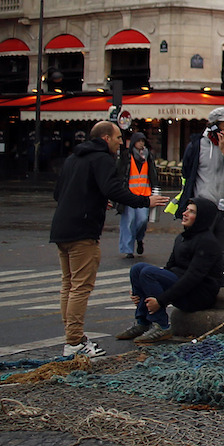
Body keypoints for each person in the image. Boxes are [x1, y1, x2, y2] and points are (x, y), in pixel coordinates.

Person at [50, 119, 169, 358]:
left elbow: (58, 193)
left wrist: (92, 198)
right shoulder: (102, 159)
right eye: (117, 138)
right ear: (105, 138)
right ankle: (73, 343)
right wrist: (145, 201)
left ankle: (73, 337)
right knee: (80, 287)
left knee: (68, 284)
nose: (120, 143)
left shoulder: (74, 159)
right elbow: (114, 189)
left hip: (61, 228)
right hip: (83, 231)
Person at [119, 197, 224, 342]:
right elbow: (169, 268)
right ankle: (143, 322)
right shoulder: (182, 238)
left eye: (191, 212)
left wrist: (161, 300)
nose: (185, 213)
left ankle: (162, 325)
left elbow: (193, 278)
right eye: (186, 210)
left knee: (148, 273)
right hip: (181, 283)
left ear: (202, 217)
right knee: (138, 269)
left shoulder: (207, 243)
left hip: (198, 294)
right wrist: (140, 291)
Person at [173, 108, 224, 249]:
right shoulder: (196, 146)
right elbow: (186, 173)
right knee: (199, 249)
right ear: (214, 127)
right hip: (201, 209)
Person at [117, 135, 154, 258]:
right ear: (133, 143)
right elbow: (120, 173)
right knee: (128, 222)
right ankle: (128, 250)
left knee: (142, 220)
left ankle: (139, 238)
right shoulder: (126, 156)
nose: (141, 143)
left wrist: (155, 189)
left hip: (144, 194)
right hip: (128, 195)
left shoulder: (148, 156)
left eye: (143, 141)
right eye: (138, 141)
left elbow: (152, 173)